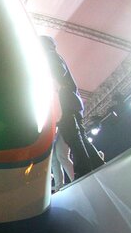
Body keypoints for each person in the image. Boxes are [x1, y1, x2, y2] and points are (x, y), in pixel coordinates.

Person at [39, 36, 104, 179]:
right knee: (79, 136)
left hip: (66, 104)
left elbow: (58, 73)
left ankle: (83, 170)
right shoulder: (54, 55)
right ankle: (97, 163)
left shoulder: (50, 56)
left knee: (73, 138)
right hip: (71, 102)